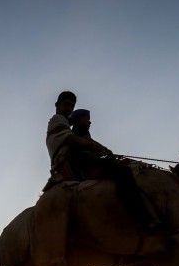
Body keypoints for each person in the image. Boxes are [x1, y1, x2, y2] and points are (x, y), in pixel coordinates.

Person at [44, 93, 159, 231]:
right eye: (66, 104)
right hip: (73, 163)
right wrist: (97, 148)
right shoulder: (57, 120)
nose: (69, 108)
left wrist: (100, 149)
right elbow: (75, 141)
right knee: (123, 171)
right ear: (57, 105)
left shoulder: (67, 125)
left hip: (74, 161)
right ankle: (141, 219)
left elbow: (86, 143)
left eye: (72, 106)